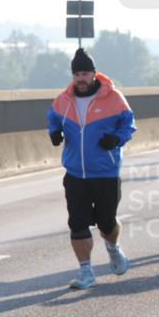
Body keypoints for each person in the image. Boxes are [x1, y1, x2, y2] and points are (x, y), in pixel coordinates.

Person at [47, 48, 136, 290]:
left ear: (94, 74)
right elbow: (52, 118)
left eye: (85, 73)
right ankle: (86, 272)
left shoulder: (114, 98)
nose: (80, 79)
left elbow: (129, 125)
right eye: (77, 74)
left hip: (106, 172)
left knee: (107, 223)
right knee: (77, 223)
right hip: (75, 173)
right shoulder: (63, 100)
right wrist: (54, 132)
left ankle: (113, 249)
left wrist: (116, 139)